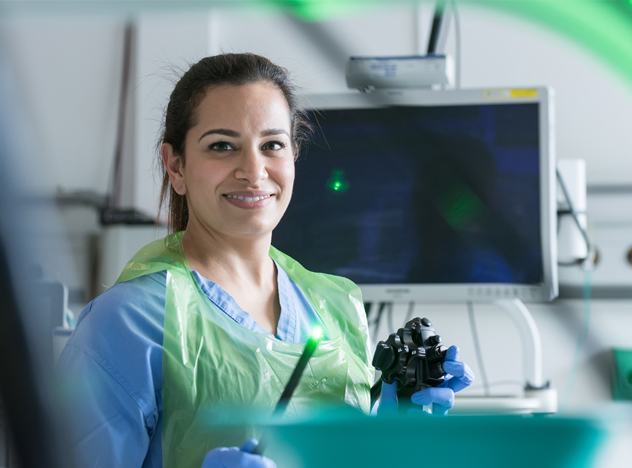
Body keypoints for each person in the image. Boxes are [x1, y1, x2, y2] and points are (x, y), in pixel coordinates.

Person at [57, 53, 473, 468]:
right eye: (223, 146)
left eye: (271, 145)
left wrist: (391, 433)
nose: (253, 171)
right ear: (176, 166)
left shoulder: (337, 305)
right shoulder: (128, 323)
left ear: (294, 155)